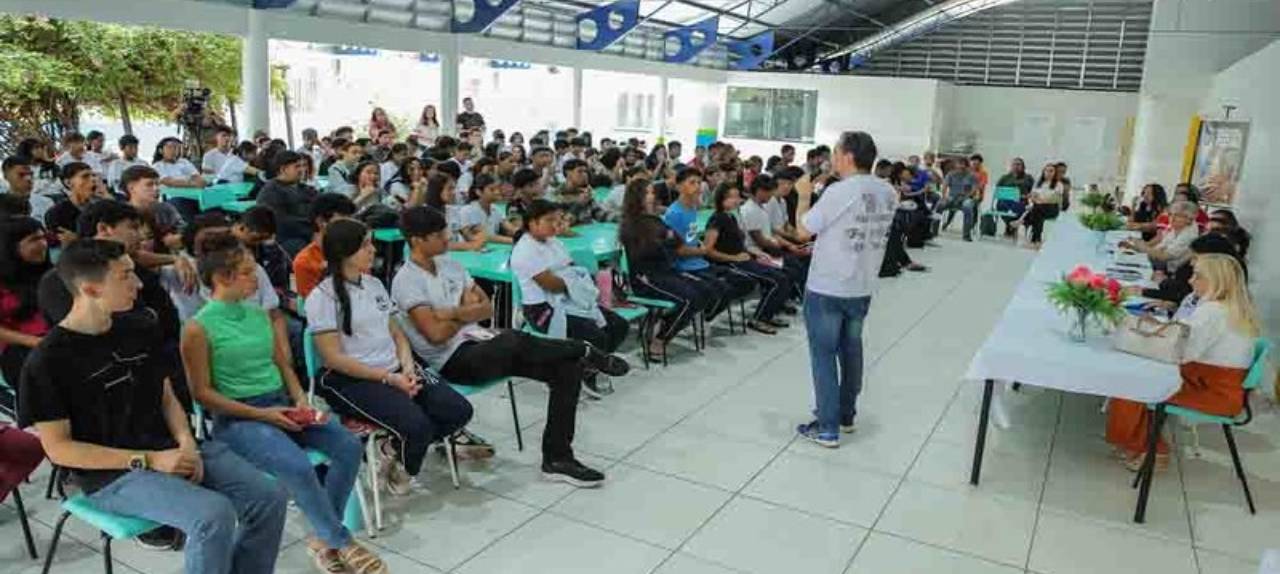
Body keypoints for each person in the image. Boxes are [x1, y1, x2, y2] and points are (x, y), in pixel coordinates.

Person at [20, 239, 289, 574]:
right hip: (112, 475)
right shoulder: (47, 361)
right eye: (125, 276)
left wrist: (186, 442)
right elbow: (59, 449)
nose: (138, 283)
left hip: (171, 448)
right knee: (212, 515)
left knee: (269, 497)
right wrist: (151, 460)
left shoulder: (140, 325)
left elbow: (164, 395)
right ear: (90, 288)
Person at [181, 232, 386, 574]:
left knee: (348, 445)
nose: (256, 276)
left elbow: (281, 363)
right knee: (297, 467)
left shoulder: (258, 315)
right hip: (240, 417)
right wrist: (264, 414)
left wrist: (299, 398)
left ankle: (323, 538)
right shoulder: (197, 328)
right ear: (222, 279)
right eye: (247, 272)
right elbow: (201, 393)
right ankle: (341, 541)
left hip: (279, 402)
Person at [393, 206, 622, 485]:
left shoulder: (451, 265)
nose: (446, 238)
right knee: (512, 338)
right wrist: (465, 312)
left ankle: (557, 458)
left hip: (482, 342)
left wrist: (452, 313)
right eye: (439, 234)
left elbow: (487, 308)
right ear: (417, 240)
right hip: (453, 361)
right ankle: (584, 349)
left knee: (567, 368)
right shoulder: (407, 281)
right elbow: (436, 335)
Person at [305, 219, 477, 495]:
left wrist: (407, 367)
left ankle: (393, 448)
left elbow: (397, 334)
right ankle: (404, 467)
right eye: (365, 245)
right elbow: (333, 359)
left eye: (371, 243)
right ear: (344, 253)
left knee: (458, 410)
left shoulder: (374, 284)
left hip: (396, 368)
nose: (373, 250)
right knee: (417, 426)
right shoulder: (322, 298)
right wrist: (390, 378)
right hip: (352, 379)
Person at [1106, 254, 1258, 471]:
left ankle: (1152, 450)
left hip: (1212, 391)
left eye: (1197, 276)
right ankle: (1138, 442)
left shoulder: (1213, 311)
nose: (1190, 280)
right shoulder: (1227, 308)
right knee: (1140, 378)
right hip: (1216, 384)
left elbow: (1181, 352)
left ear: (1216, 281)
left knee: (1132, 384)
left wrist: (1148, 337)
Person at [793, 131, 896, 448]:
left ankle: (827, 427)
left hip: (828, 286)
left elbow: (802, 232)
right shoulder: (889, 191)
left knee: (823, 355)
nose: (832, 159)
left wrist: (803, 196)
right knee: (851, 350)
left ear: (848, 156)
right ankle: (846, 415)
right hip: (861, 285)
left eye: (836, 153)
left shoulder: (840, 191)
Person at [511, 200, 631, 398]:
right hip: (542, 310)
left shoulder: (554, 242)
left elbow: (572, 270)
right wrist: (574, 281)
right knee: (595, 334)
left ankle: (587, 365)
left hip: (569, 300)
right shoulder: (525, 250)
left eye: (557, 220)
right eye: (549, 220)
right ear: (532, 223)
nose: (555, 225)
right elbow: (552, 284)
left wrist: (572, 280)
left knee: (618, 325)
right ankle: (584, 371)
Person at [662, 169, 755, 328]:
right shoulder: (674, 213)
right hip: (684, 266)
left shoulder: (692, 209)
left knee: (744, 281)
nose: (697, 187)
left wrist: (700, 247)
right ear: (678, 186)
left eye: (699, 182)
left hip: (699, 262)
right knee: (719, 290)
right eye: (692, 183)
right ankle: (688, 318)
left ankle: (705, 314)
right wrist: (704, 250)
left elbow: (690, 238)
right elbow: (677, 250)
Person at [702, 182, 792, 335]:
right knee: (776, 281)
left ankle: (767, 314)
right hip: (730, 262)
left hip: (743, 258)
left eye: (737, 196)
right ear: (721, 199)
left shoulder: (732, 217)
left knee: (783, 275)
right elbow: (708, 250)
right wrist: (734, 257)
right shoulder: (717, 219)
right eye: (732, 197)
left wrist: (754, 253)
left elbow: (738, 243)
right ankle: (759, 318)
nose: (736, 200)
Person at [0, 217, 51, 406]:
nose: (43, 245)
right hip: (21, 348)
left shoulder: (53, 275)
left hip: (57, 339)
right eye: (34, 240)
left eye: (43, 238)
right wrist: (35, 342)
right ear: (12, 246)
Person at [740, 174, 808, 298]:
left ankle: (787, 299)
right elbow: (761, 241)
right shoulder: (749, 210)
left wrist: (789, 246)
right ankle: (779, 303)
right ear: (760, 191)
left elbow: (771, 233)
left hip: (768, 248)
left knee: (795, 264)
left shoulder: (762, 207)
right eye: (769, 193)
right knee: (790, 268)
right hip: (757, 253)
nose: (771, 196)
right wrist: (785, 249)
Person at [293, 193, 358, 299]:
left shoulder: (357, 251)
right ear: (321, 222)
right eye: (342, 222)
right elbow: (312, 306)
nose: (349, 228)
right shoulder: (304, 262)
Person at [256, 150, 317, 257]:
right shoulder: (270, 191)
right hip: (286, 238)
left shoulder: (305, 189)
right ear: (283, 169)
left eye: (303, 166)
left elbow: (321, 206)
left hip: (310, 232)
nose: (302, 170)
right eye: (297, 166)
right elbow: (280, 222)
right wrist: (312, 230)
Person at [1120, 200, 1200, 272]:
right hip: (1162, 263)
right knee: (1126, 258)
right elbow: (1158, 249)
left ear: (1189, 219)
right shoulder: (1177, 227)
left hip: (1168, 269)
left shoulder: (1189, 235)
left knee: (1127, 263)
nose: (1172, 218)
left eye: (1177, 215)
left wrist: (1141, 247)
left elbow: (1164, 256)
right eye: (1171, 214)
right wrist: (1133, 247)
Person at [423, 172, 485, 251]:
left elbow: (468, 234)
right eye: (450, 189)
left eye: (454, 188)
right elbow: (436, 245)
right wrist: (470, 246)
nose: (454, 192)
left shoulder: (453, 211)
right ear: (437, 190)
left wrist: (478, 237)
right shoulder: (425, 214)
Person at [44, 162, 99, 246]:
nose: (93, 179)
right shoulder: (56, 213)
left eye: (93, 176)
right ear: (68, 183)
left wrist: (79, 239)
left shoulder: (101, 207)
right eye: (85, 176)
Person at [1017, 163, 1067, 248]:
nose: (1049, 173)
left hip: (1052, 209)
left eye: (1051, 171)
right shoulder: (1038, 184)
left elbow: (1055, 199)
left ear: (1055, 173)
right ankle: (1036, 239)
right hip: (1038, 208)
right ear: (1043, 172)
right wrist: (1033, 198)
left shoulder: (1059, 185)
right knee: (1037, 212)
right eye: (1047, 170)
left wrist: (1040, 200)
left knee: (1036, 210)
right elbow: (1032, 196)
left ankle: (1024, 220)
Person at [1, 156, 56, 221]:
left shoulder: (46, 203)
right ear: (6, 176)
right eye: (22, 175)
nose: (28, 179)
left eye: (30, 175)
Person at [940, 157, 979, 241]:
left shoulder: (972, 176)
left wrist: (966, 197)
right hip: (952, 197)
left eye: (963, 164)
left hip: (966, 198)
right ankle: (933, 231)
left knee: (967, 207)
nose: (961, 166)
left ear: (967, 166)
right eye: (959, 164)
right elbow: (944, 186)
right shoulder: (950, 174)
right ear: (956, 165)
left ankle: (966, 235)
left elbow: (974, 189)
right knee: (939, 204)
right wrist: (944, 197)